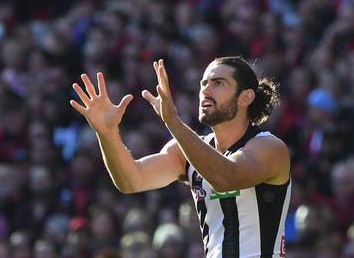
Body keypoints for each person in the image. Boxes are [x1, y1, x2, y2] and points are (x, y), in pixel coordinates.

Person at [70, 56, 291, 257]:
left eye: (218, 83)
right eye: (203, 84)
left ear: (246, 97)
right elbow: (131, 180)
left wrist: (173, 123)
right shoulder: (184, 151)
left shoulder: (269, 147)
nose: (205, 91)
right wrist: (107, 133)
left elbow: (227, 178)